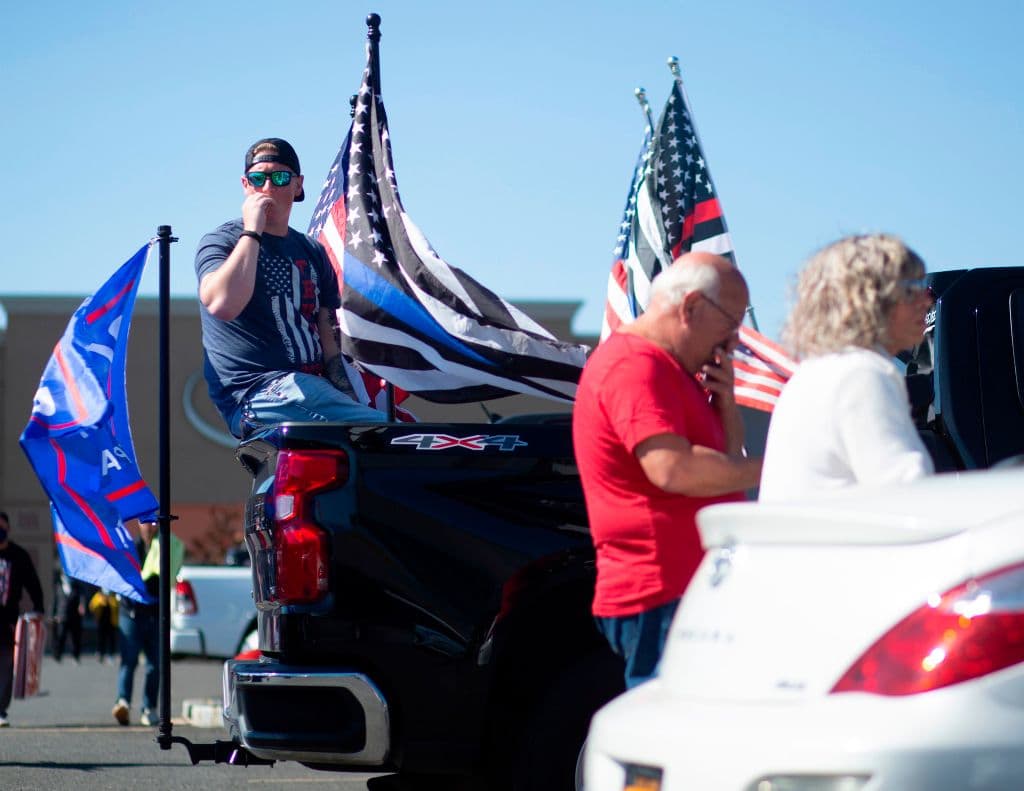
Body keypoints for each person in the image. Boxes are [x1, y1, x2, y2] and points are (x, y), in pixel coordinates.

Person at [573, 253, 763, 688]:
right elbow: (673, 469)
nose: (733, 342)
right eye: (731, 324)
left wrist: (726, 407)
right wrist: (775, 469)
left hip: (683, 592)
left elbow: (722, 468)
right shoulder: (634, 365)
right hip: (660, 594)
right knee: (681, 735)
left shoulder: (669, 371)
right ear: (691, 307)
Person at [195, 137, 388, 438]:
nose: (268, 187)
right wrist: (252, 231)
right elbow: (222, 303)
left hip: (313, 391)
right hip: (257, 394)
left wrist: (346, 396)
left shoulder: (311, 251)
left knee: (377, 437)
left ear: (297, 186)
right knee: (388, 434)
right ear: (246, 185)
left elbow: (328, 340)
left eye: (280, 177)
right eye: (258, 179)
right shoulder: (222, 242)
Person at [759, 234, 935, 501]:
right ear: (869, 297)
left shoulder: (816, 373)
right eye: (913, 287)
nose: (927, 300)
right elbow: (908, 494)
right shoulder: (862, 373)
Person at [112, 521, 181, 727]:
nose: (150, 527)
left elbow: (168, 576)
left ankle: (149, 707)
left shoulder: (165, 548)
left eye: (153, 523)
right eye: (145, 523)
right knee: (128, 660)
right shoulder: (132, 549)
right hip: (131, 613)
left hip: (155, 613)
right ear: (139, 526)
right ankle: (122, 702)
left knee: (155, 664)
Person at [0, 511, 45, 727]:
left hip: (8, 619)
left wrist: (39, 607)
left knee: (7, 665)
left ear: (8, 529)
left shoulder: (18, 556)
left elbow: (33, 584)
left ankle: (1, 710)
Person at [52, 569, 87, 663]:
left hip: (74, 616)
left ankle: (76, 656)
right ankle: (58, 656)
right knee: (61, 636)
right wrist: (53, 614)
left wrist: (82, 605)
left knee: (75, 638)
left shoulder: (77, 587)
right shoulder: (59, 587)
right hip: (62, 616)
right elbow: (55, 602)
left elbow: (82, 597)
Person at [88, 588, 118, 664]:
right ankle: (101, 654)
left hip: (111, 622)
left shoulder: (113, 597)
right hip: (101, 621)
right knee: (101, 639)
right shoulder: (98, 596)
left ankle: (111, 655)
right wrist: (102, 601)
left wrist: (109, 600)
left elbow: (116, 606)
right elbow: (92, 606)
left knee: (111, 639)